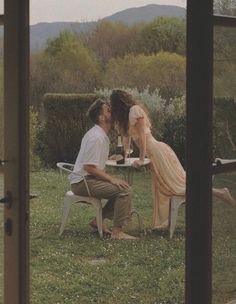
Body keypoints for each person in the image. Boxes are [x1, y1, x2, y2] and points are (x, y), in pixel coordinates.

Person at [110, 89, 236, 229]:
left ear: (118, 103)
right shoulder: (126, 117)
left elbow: (143, 138)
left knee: (177, 186)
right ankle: (168, 219)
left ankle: (221, 192)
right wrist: (122, 154)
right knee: (169, 187)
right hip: (152, 155)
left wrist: (140, 159)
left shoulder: (135, 110)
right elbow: (127, 141)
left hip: (158, 152)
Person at [69, 98, 137, 240]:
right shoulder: (96, 137)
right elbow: (88, 167)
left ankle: (97, 221)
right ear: (101, 118)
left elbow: (92, 162)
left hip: (87, 179)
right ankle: (117, 232)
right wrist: (111, 178)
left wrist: (107, 159)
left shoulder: (99, 135)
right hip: (83, 182)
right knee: (124, 190)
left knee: (122, 186)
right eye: (108, 109)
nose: (111, 110)